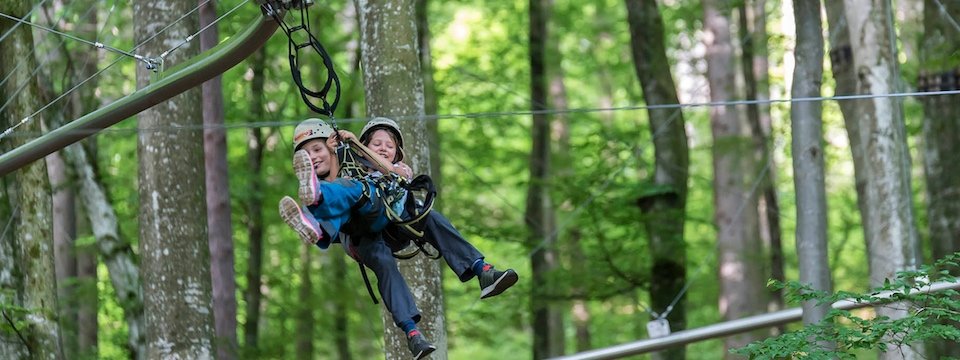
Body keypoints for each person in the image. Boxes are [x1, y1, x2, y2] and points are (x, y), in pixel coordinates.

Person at [277, 118, 518, 360]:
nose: (382, 148)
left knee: (429, 217)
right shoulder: (351, 171)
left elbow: (391, 171)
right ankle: (413, 333)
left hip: (394, 224)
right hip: (363, 237)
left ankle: (482, 270)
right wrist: (334, 153)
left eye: (388, 145)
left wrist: (353, 144)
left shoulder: (399, 169)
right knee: (380, 256)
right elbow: (338, 181)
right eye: (376, 143)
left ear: (397, 151)